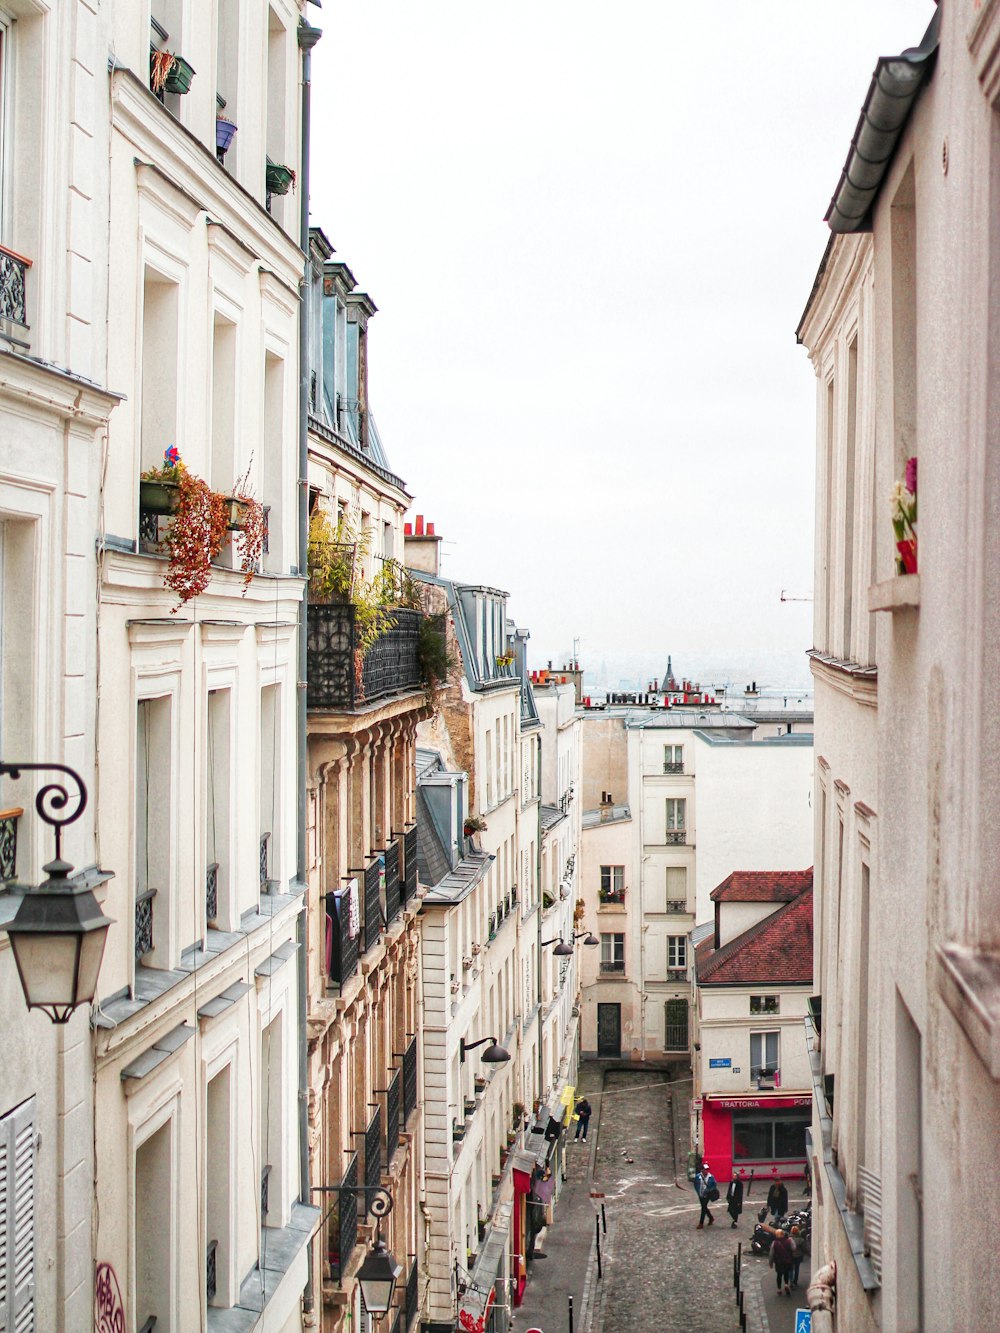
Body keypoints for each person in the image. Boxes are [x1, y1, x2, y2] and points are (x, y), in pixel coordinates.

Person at [769, 1228, 794, 1296]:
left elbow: (771, 1254)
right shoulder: (788, 1241)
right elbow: (794, 1248)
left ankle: (779, 1289)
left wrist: (770, 1263)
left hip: (778, 1261)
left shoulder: (774, 1243)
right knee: (786, 1273)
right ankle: (786, 1284)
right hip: (787, 1260)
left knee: (779, 1275)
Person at [694, 1162, 717, 1228]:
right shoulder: (698, 1176)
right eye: (705, 1169)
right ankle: (711, 1218)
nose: (706, 1171)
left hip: (707, 1195)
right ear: (702, 1170)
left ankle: (701, 1223)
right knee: (704, 1207)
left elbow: (714, 1185)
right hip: (700, 1194)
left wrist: (709, 1190)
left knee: (703, 1208)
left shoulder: (711, 1177)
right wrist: (698, 1192)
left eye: (707, 1169)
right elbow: (695, 1184)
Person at [788, 1225, 806, 1289]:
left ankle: (791, 1282)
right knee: (797, 1268)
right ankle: (795, 1281)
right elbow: (804, 1248)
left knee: (790, 1269)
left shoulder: (789, 1239)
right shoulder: (801, 1240)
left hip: (791, 1256)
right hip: (798, 1256)